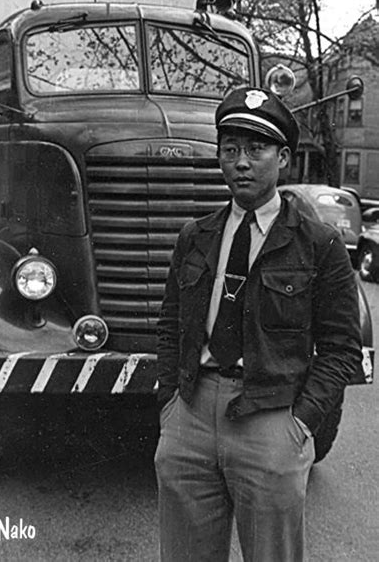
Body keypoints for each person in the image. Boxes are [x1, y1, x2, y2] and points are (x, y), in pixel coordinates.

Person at [154, 87, 362, 562]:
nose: (241, 162)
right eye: (230, 150)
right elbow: (170, 323)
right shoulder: (196, 236)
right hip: (191, 415)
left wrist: (301, 425)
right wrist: (170, 404)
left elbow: (341, 349)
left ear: (283, 158)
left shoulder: (319, 244)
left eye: (256, 149)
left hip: (271, 420)